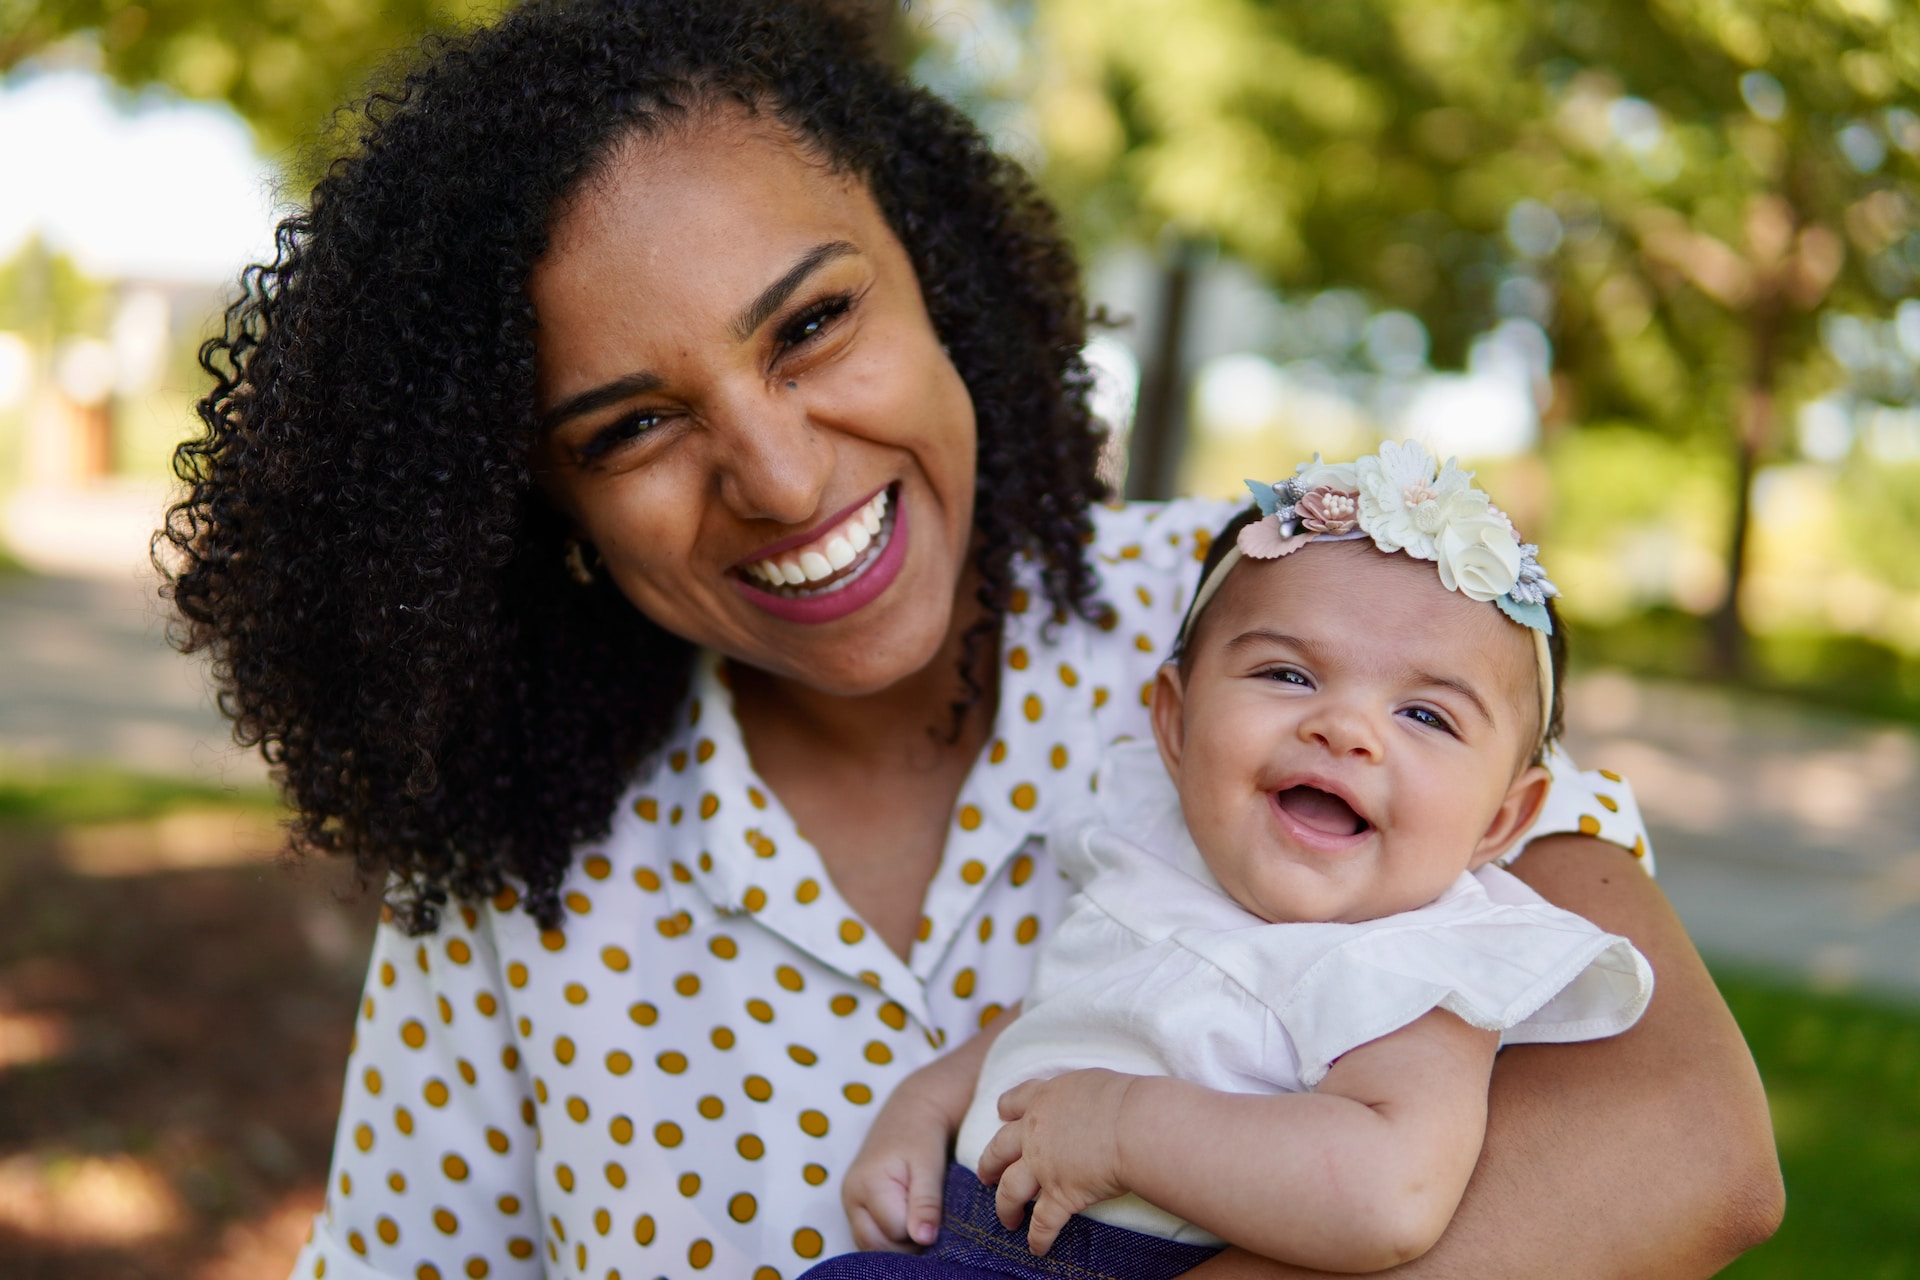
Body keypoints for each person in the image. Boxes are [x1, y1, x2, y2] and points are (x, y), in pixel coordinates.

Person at [157, 2, 1781, 1278]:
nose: (782, 477)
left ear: (931, 270)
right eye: (634, 424)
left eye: (813, 324)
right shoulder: (523, 874)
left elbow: (1686, 1154)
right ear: (530, 501)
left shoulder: (1290, 624)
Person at [819, 444, 1657, 1278]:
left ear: (1501, 819)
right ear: (1176, 725)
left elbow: (1388, 1194)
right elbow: (1080, 1007)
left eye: (1426, 716)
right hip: (962, 1238)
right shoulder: (1158, 849)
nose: (1346, 729)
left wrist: (1125, 1130)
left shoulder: (1411, 964)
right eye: (1288, 674)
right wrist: (928, 1102)